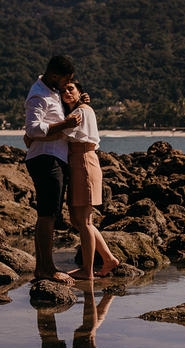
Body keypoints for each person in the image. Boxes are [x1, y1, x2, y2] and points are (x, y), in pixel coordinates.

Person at [24, 55, 83, 284]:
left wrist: (78, 102)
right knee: (47, 214)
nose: (68, 84)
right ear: (55, 76)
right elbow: (32, 128)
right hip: (45, 158)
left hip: (54, 157)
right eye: (66, 80)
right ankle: (46, 269)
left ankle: (44, 267)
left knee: (48, 214)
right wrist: (65, 125)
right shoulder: (38, 93)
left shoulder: (53, 91)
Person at [59, 80, 120, 279]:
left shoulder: (81, 112)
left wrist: (33, 136)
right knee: (77, 220)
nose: (67, 92)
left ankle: (87, 270)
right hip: (79, 161)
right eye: (63, 90)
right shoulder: (77, 110)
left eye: (71, 89)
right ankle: (108, 259)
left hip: (83, 161)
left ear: (80, 92)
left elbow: (58, 133)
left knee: (84, 220)